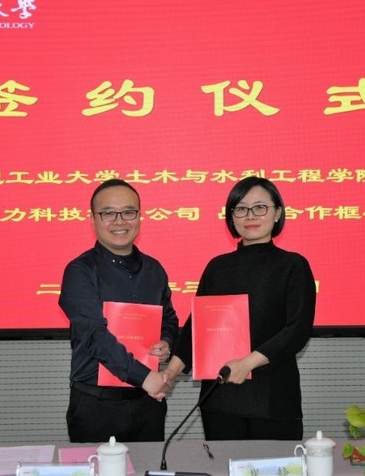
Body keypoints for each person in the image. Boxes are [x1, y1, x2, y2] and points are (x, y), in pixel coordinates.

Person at [163, 176, 316, 440]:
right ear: (231, 217)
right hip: (220, 399)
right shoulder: (218, 267)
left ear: (277, 213)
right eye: (241, 208)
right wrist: (170, 373)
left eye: (260, 207)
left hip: (272, 398)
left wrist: (248, 363)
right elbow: (195, 329)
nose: (250, 215)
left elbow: (296, 331)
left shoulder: (293, 266)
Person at [59, 179, 179, 443]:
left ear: (139, 216)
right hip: (97, 407)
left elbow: (169, 318)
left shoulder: (154, 269)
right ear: (93, 219)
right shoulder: (80, 271)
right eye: (108, 213)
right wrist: (144, 377)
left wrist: (166, 341)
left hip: (147, 404)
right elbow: (94, 335)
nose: (119, 221)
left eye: (128, 212)